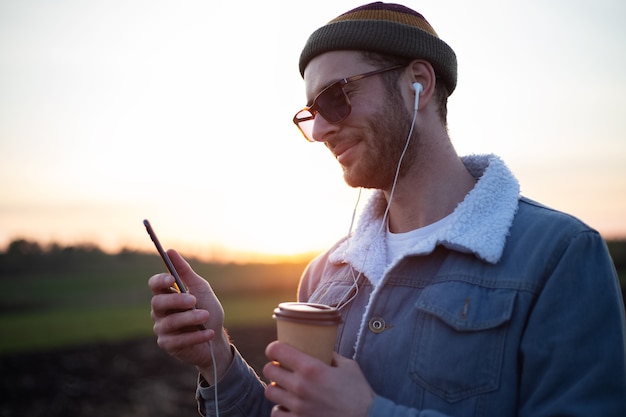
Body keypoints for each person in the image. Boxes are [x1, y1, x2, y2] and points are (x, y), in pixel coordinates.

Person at [148, 2, 626, 416]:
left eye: (336, 97)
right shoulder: (323, 276)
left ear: (417, 83)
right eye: (310, 113)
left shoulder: (558, 256)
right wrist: (217, 355)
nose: (320, 131)